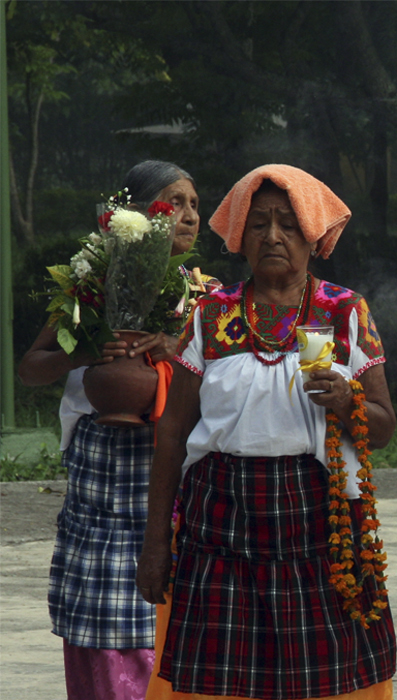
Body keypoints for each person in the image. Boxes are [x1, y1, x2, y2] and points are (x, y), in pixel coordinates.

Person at [135, 165, 397, 699]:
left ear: (313, 236)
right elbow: (172, 435)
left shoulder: (345, 311)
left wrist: (348, 402)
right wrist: (155, 542)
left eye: (288, 225)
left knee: (320, 680)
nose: (273, 236)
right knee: (224, 683)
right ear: (240, 237)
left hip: (319, 525)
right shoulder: (210, 314)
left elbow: (386, 426)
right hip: (220, 524)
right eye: (258, 225)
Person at [17, 160, 202, 700]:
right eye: (175, 201)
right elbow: (31, 368)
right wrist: (89, 352)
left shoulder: (204, 296)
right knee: (99, 626)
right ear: (136, 215)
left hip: (165, 467)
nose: (189, 214)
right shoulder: (88, 288)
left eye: (194, 203)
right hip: (99, 480)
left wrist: (178, 348)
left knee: (161, 629)